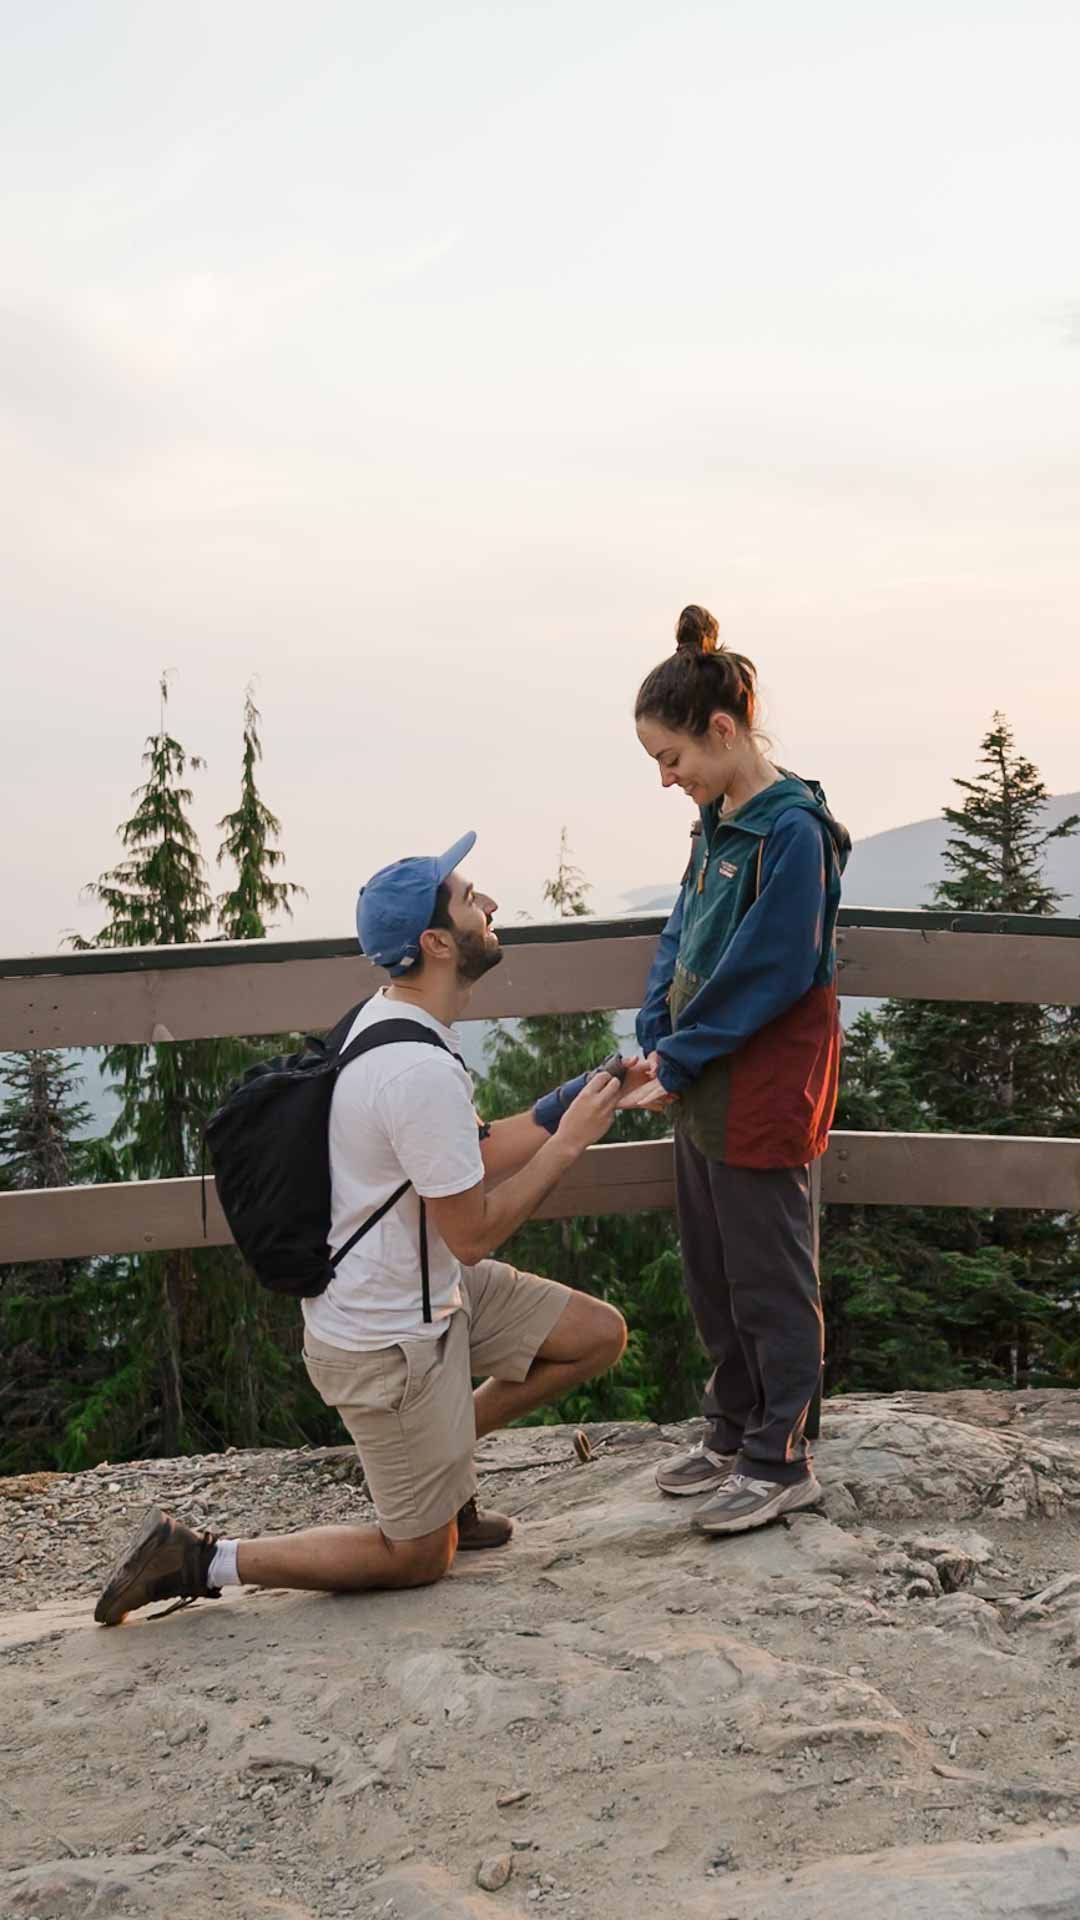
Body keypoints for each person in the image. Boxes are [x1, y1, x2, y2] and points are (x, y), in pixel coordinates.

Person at [95, 832, 648, 1626]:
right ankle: (198, 1558)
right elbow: (474, 1232)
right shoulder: (414, 1069)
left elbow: (471, 1152)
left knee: (595, 1334)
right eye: (469, 900)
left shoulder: (394, 1019)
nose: (489, 906)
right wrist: (570, 1143)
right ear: (436, 943)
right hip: (387, 1338)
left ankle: (441, 1462)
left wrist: (587, 1092)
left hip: (430, 1294)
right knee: (417, 1559)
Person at [632, 606, 850, 1536]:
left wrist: (676, 1052)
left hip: (762, 1080)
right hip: (699, 1077)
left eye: (671, 759)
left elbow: (772, 967)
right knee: (713, 1266)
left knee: (769, 1272)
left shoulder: (792, 832)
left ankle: (780, 1454)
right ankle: (731, 1427)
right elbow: (682, 931)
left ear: (722, 730)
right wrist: (654, 1017)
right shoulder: (717, 821)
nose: (668, 779)